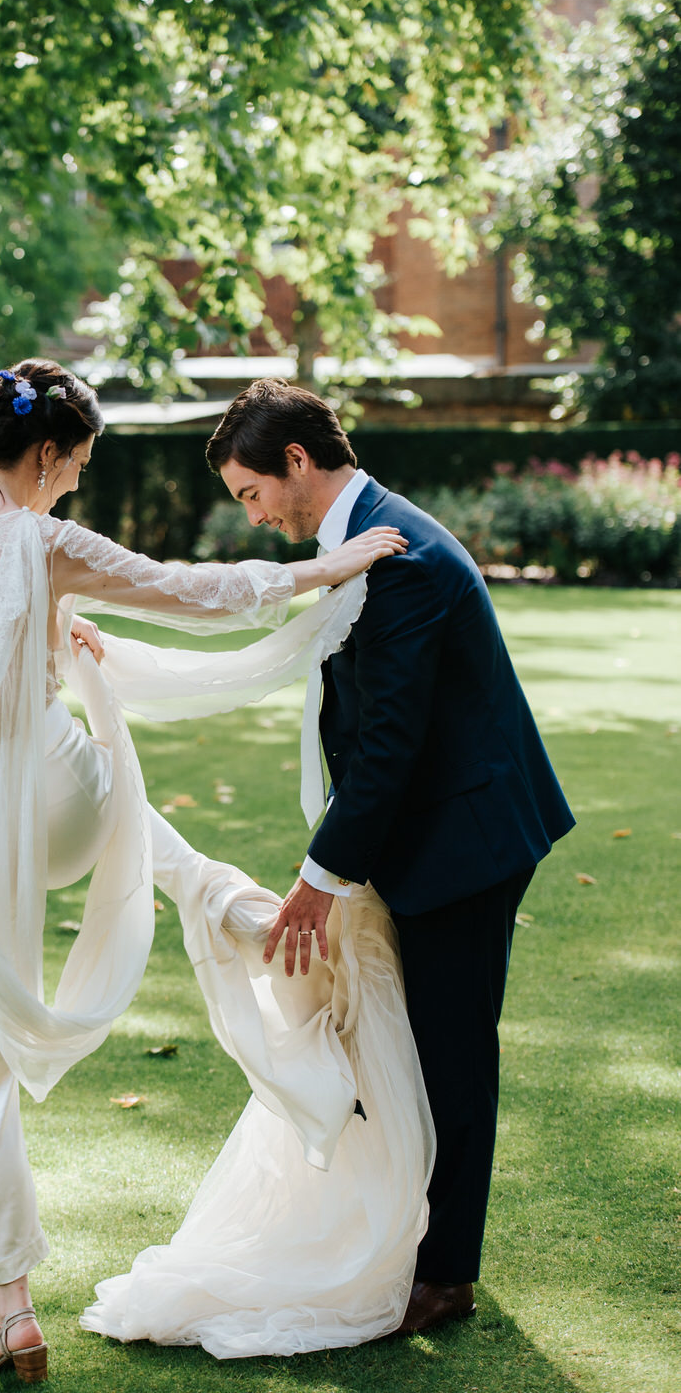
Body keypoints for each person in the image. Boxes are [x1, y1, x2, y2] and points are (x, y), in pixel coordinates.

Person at [0, 359, 407, 1380]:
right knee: (109, 755)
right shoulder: (45, 540)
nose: (71, 485)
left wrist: (46, 631)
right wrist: (318, 572)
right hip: (64, 810)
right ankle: (223, 899)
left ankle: (14, 1309)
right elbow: (187, 591)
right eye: (73, 466)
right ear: (43, 454)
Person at [204, 377, 575, 1336]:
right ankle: (407, 1234)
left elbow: (392, 740)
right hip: (428, 826)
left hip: (467, 835)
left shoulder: (398, 558)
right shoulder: (358, 540)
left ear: (296, 463)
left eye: (251, 493)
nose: (252, 516)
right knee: (402, 1043)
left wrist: (320, 878)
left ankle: (446, 1275)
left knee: (452, 1053)